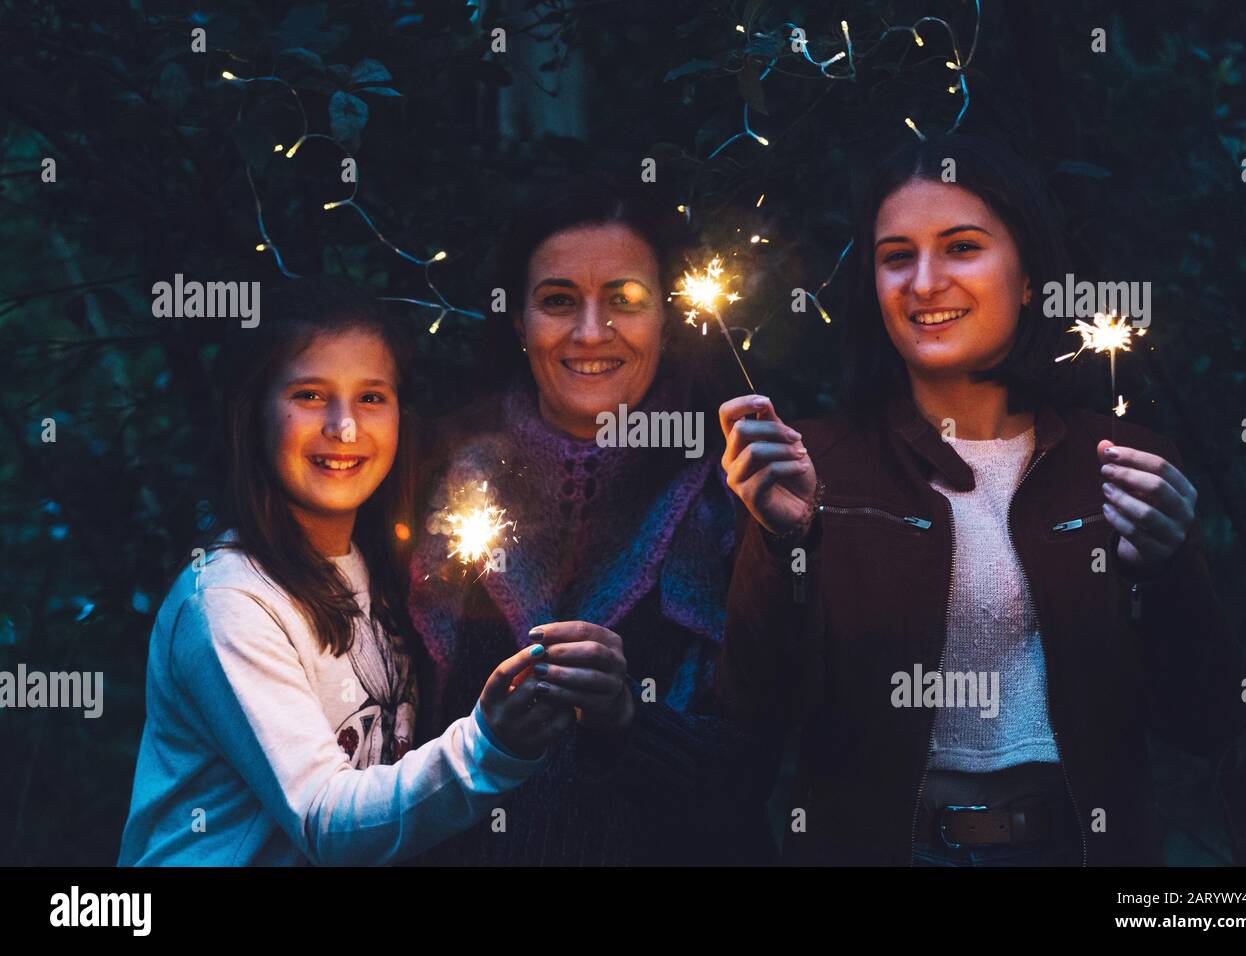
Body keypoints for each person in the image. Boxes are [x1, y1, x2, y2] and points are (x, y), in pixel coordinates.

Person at [716, 134, 1244, 866]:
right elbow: (749, 717)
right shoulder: (814, 464)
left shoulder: (1123, 465)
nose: (924, 282)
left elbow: (1207, 719)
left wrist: (1165, 568)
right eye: (897, 256)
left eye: (962, 248)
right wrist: (784, 547)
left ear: (1028, 277)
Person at [119, 279, 568, 866]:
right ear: (254, 413)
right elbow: (326, 821)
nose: (345, 427)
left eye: (371, 397)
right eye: (310, 395)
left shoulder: (382, 570)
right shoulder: (227, 602)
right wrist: (488, 747)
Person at [408, 179, 774, 865]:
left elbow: (759, 772)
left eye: (625, 301)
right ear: (517, 322)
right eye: (557, 301)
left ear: (668, 318)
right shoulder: (435, 484)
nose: (588, 332)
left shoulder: (738, 496)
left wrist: (627, 721)